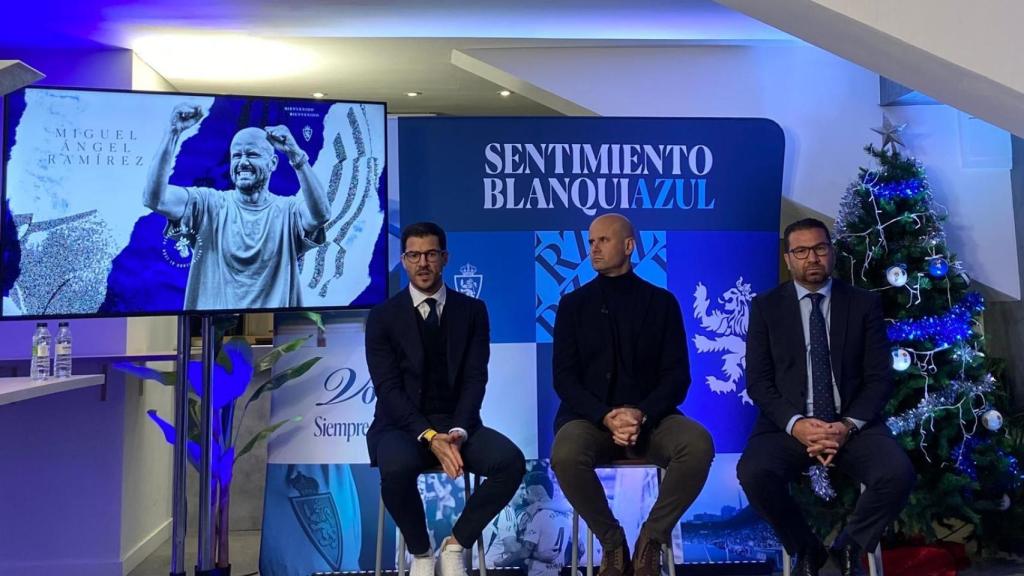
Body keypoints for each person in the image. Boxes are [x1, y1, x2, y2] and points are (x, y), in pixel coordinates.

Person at [737, 218, 915, 576]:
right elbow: (758, 382)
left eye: (819, 248)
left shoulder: (863, 304)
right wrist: (797, 425)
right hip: (787, 426)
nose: (812, 258)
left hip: (853, 424)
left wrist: (846, 426)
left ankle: (849, 549)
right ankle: (808, 551)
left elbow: (879, 378)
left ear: (831, 253)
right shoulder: (766, 307)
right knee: (754, 473)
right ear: (788, 259)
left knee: (897, 472)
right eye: (801, 251)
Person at [550, 213, 715, 576]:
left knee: (698, 444)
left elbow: (677, 377)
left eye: (603, 241)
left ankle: (651, 540)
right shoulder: (573, 305)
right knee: (565, 453)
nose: (593, 248)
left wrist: (641, 414)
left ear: (628, 245)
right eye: (591, 241)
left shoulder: (662, 303)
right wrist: (605, 416)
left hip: (653, 420)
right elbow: (564, 379)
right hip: (590, 419)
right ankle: (612, 543)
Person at [365, 221, 526, 576]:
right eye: (414, 255)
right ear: (404, 260)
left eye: (431, 254)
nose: (423, 263)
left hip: (458, 423)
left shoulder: (472, 311)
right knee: (395, 469)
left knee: (511, 463)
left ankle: (455, 544)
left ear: (445, 258)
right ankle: (421, 552)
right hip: (400, 426)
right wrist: (428, 436)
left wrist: (457, 431)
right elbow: (387, 389)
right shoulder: (382, 317)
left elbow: (474, 378)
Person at [143, 103, 330, 310]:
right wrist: (173, 132)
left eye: (252, 154)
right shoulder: (208, 205)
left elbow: (320, 215)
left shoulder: (288, 210)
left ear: (273, 163)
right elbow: (155, 199)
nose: (242, 162)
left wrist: (296, 156)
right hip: (212, 330)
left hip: (279, 332)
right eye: (237, 155)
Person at [497, 471, 576, 576]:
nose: (525, 496)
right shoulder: (567, 516)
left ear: (535, 491)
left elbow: (524, 552)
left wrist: (502, 563)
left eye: (527, 492)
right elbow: (579, 548)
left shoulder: (536, 515)